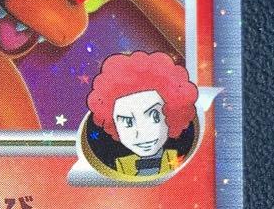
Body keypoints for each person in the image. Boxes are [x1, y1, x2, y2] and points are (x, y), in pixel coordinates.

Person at [85, 51, 199, 179]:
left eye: (155, 117)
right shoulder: (120, 165)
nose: (142, 134)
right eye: (128, 122)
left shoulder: (178, 160)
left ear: (171, 116)